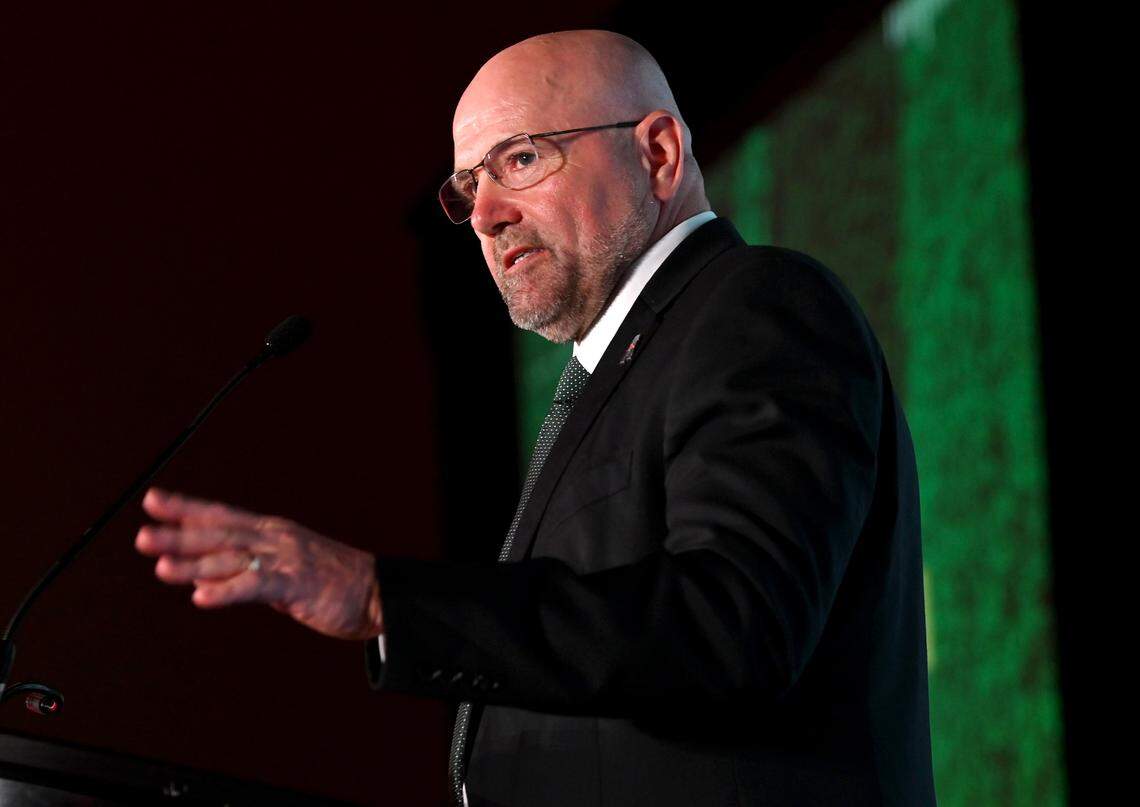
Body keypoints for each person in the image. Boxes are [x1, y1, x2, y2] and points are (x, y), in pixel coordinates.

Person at [136, 30, 936, 806]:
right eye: (466, 187)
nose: (483, 215)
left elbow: (733, 624)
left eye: (518, 160)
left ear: (657, 154)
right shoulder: (617, 367)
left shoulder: (754, 305)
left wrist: (388, 601)